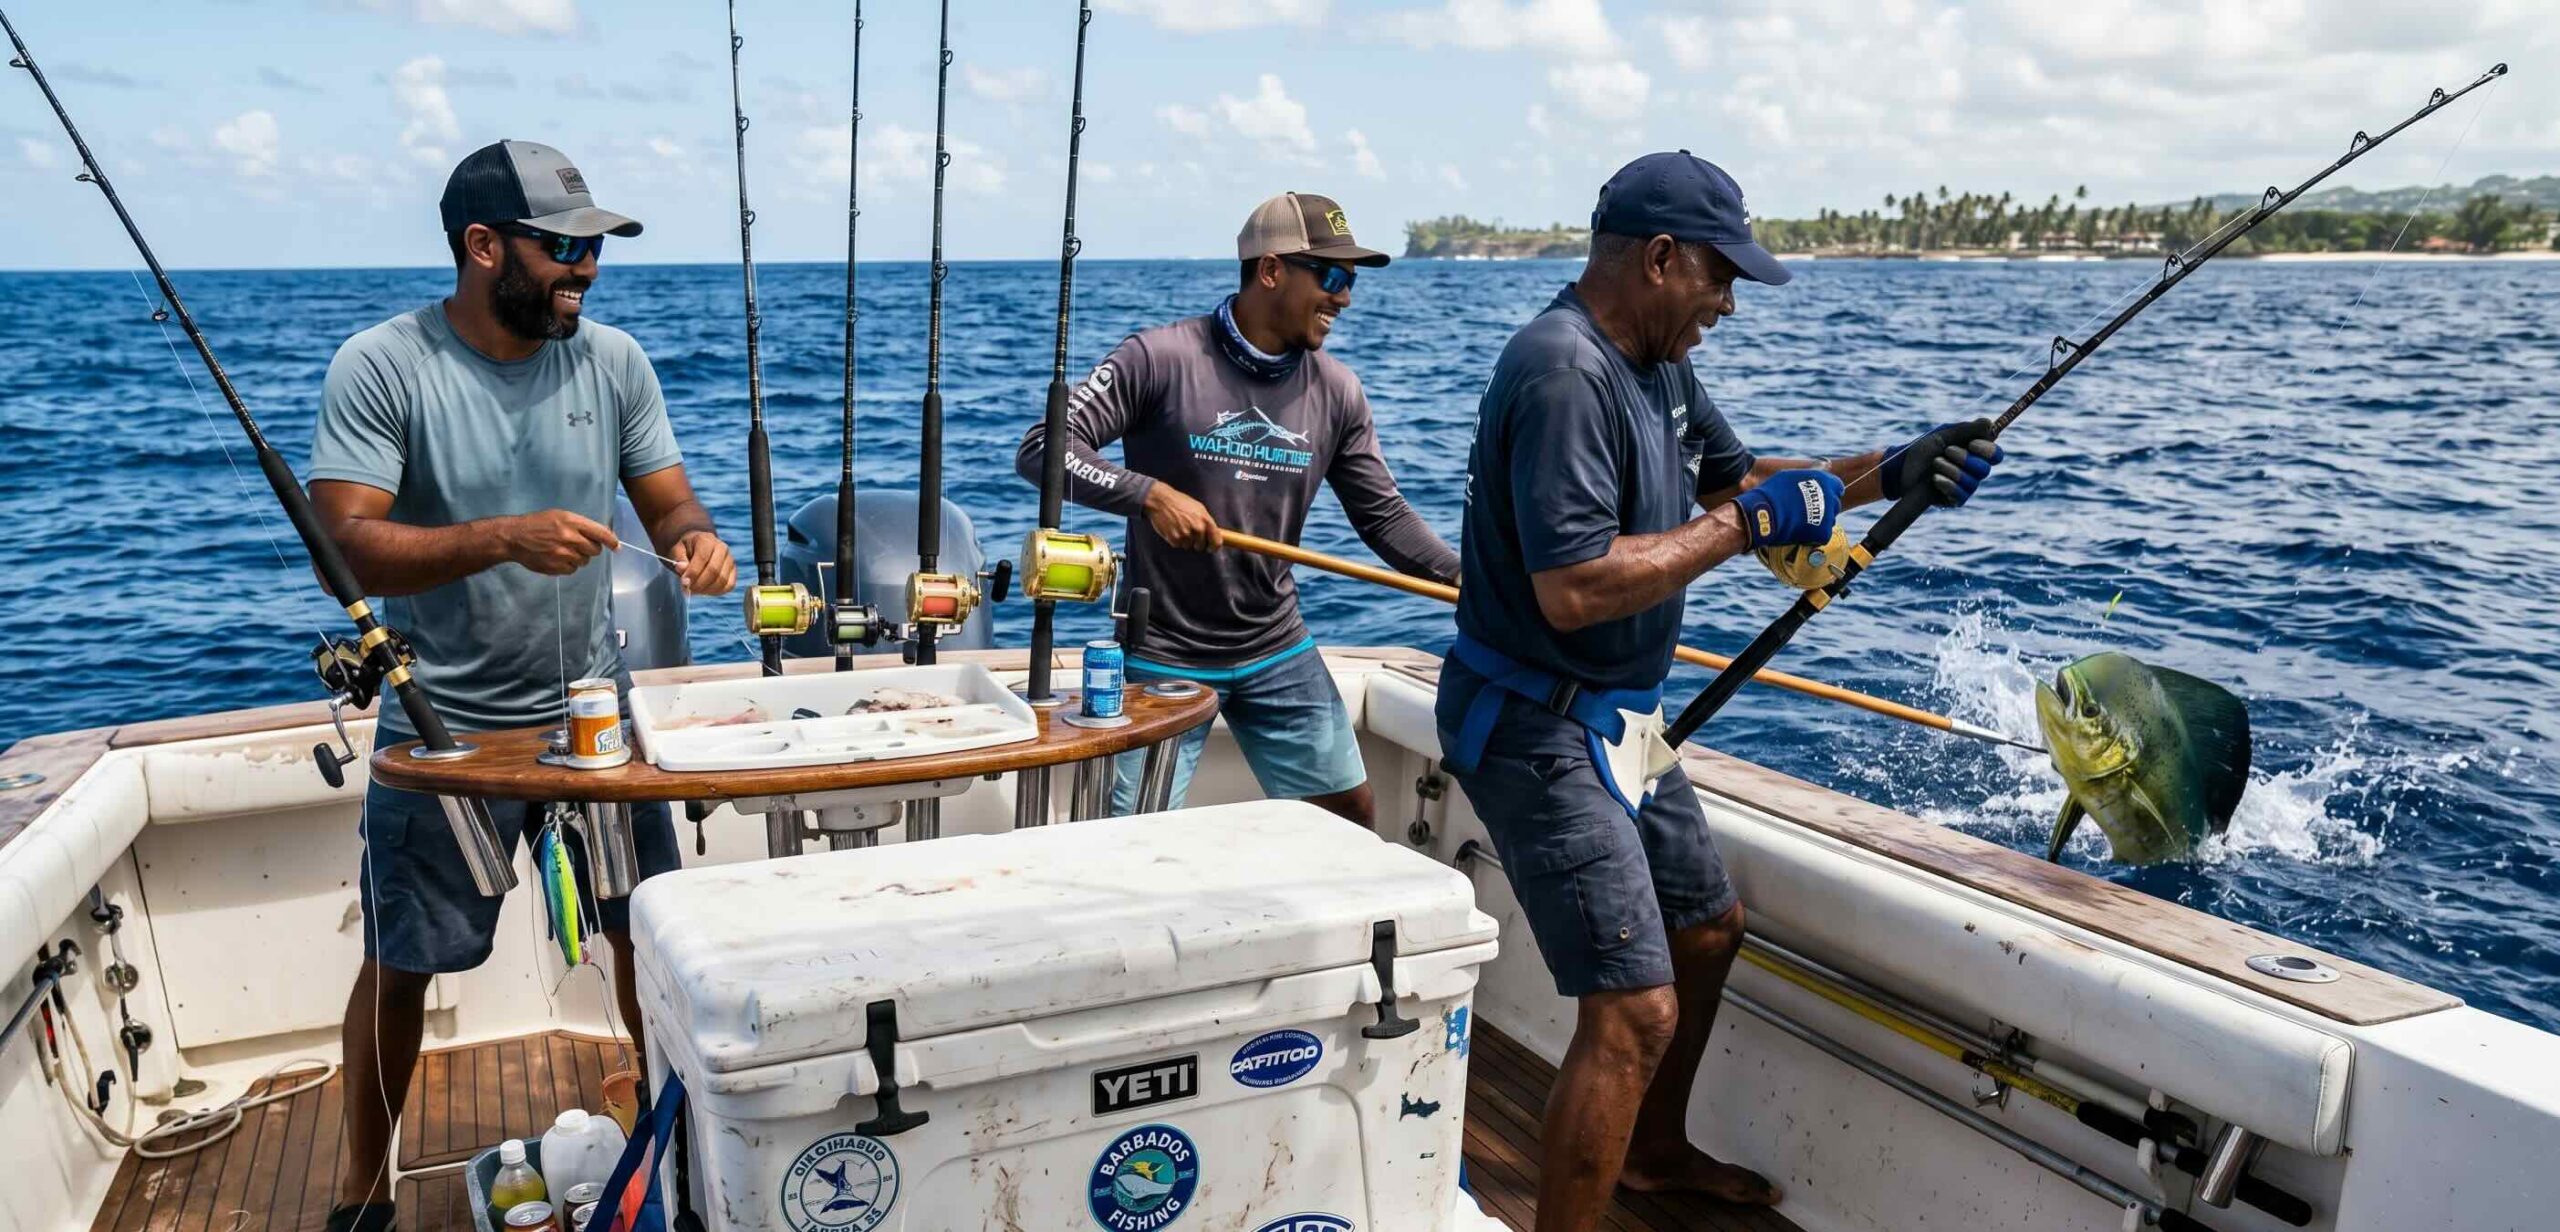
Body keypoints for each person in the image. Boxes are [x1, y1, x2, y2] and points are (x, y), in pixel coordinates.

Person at [1435, 151, 2001, 1231]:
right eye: (1718, 276)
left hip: (1623, 723)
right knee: (1635, 1006)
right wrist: (1743, 530)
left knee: (1705, 925)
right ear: (1658, 258)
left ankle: (1649, 1152)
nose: (1728, 304)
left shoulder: (1658, 363)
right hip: (1533, 721)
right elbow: (1574, 587)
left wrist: (1898, 463)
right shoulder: (1563, 371)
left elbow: (1743, 486)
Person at [307, 140, 737, 1232]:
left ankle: (671, 1151)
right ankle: (362, 1189)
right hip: (442, 726)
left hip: (593, 714)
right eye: (565, 247)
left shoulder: (615, 362)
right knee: (400, 960)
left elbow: (670, 504)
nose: (586, 268)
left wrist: (697, 543)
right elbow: (347, 546)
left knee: (651, 936)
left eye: (595, 247)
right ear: (483, 245)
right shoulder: (383, 364)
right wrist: (502, 537)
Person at [1016, 191, 1457, 823]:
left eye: (1352, 281)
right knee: (1128, 840)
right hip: (1160, 652)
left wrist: (1459, 576)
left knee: (1350, 818)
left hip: (1276, 646)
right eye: (1332, 277)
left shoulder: (1337, 392)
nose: (1345, 298)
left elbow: (1384, 517)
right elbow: (1043, 449)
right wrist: (1149, 495)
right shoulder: (1158, 359)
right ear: (1271, 270)